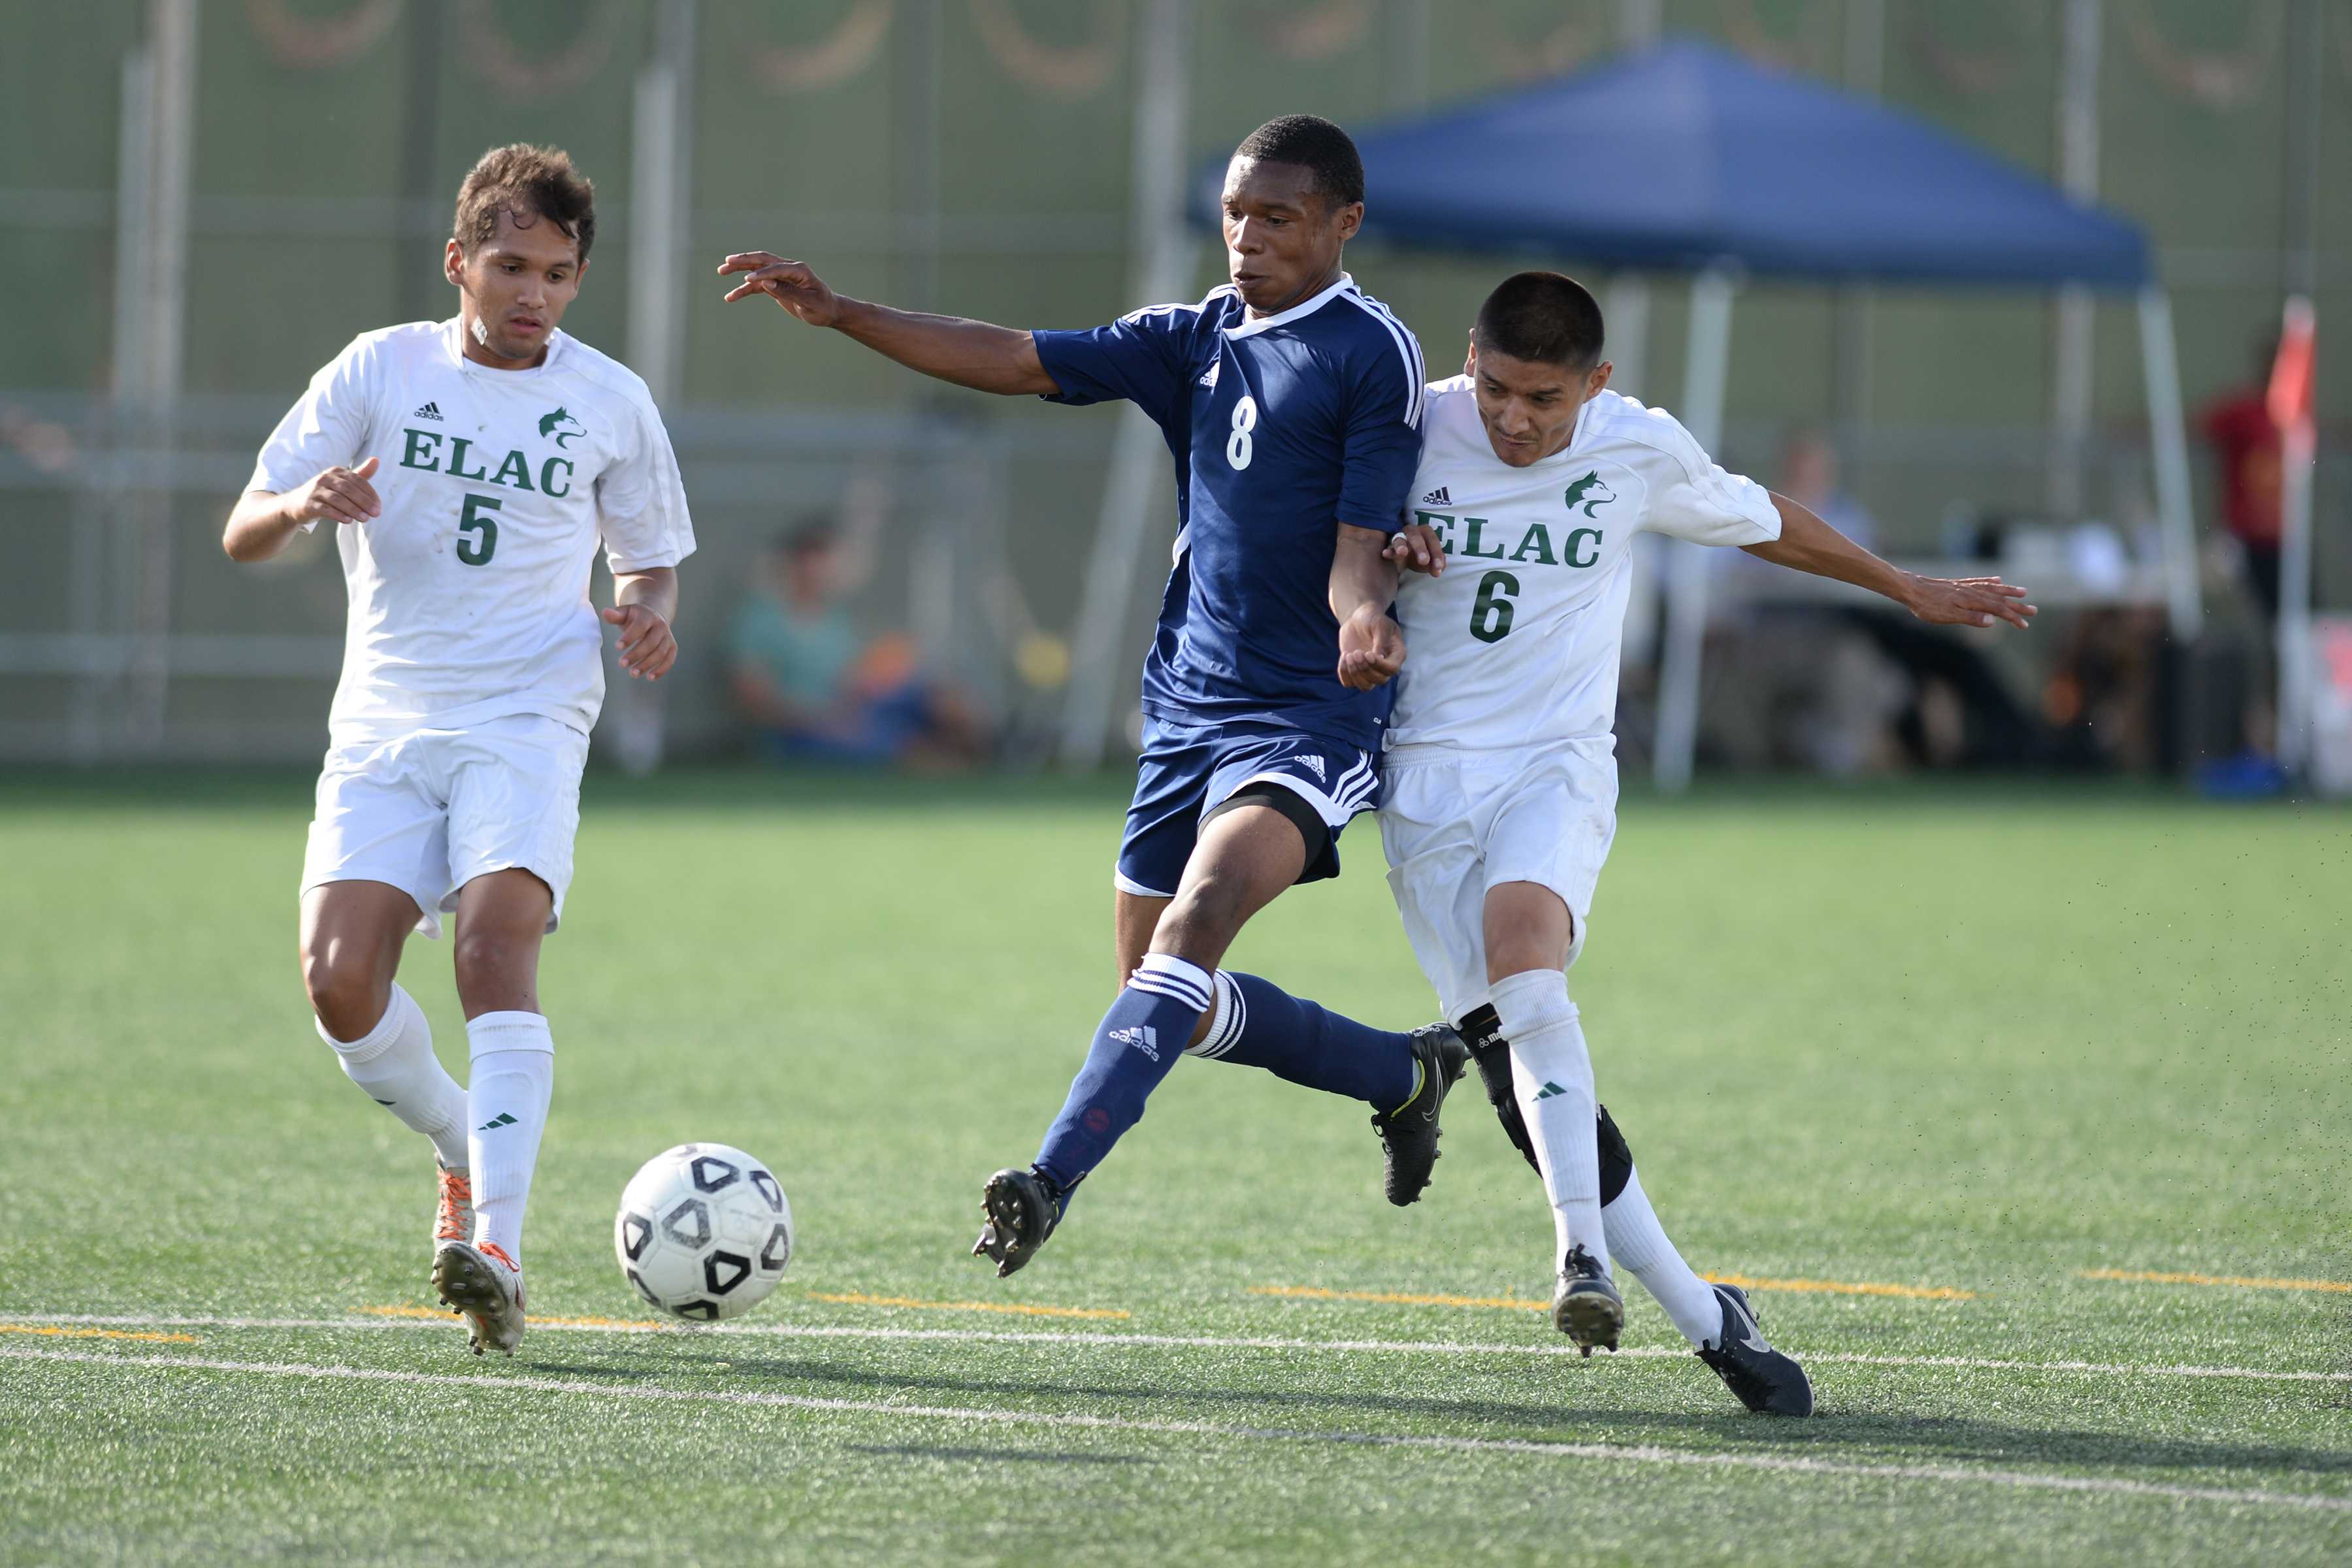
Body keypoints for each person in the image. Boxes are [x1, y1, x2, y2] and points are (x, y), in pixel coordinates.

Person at [719, 115, 1466, 1277]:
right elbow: (1019, 357)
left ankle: (1046, 1178)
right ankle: (1401, 1073)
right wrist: (847, 313)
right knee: (1157, 988)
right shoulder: (1197, 336)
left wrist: (1364, 614)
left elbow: (1359, 536)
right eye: (1235, 213)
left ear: (1343, 224)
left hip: (1309, 713)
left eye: (1277, 217)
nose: (1247, 237)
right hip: (1186, 705)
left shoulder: (1372, 350)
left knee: (1195, 925)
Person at [1373, 272, 2034, 1407]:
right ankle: (1704, 1314)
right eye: (1495, 390)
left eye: (1545, 398)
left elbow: (1767, 522)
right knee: (1516, 1073)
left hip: (1556, 765)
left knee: (1529, 954)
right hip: (1426, 783)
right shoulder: (1406, 426)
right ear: (1464, 361)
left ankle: (1577, 1253)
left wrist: (1904, 587)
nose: (1516, 420)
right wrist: (1381, 573)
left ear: (1599, 385)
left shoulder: (1637, 447)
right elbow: (1335, 549)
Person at [221, 144, 693, 1356]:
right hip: (385, 718)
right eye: (512, 265)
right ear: (460, 264)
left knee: (495, 943)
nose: (535, 293)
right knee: (338, 985)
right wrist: (302, 504)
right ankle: (457, 1144)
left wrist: (648, 614)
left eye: (559, 272)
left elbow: (647, 554)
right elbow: (244, 533)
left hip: (528, 714)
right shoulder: (380, 368)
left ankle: (500, 1243)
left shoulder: (610, 399)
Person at [727, 517, 986, 768]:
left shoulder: (835, 620)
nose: (825, 568)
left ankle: (986, 745)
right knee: (886, 746)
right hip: (800, 733)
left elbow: (851, 682)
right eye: (816, 557)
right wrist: (818, 718)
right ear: (795, 562)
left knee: (936, 695)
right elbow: (754, 699)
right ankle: (944, 762)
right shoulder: (758, 619)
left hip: (851, 714)